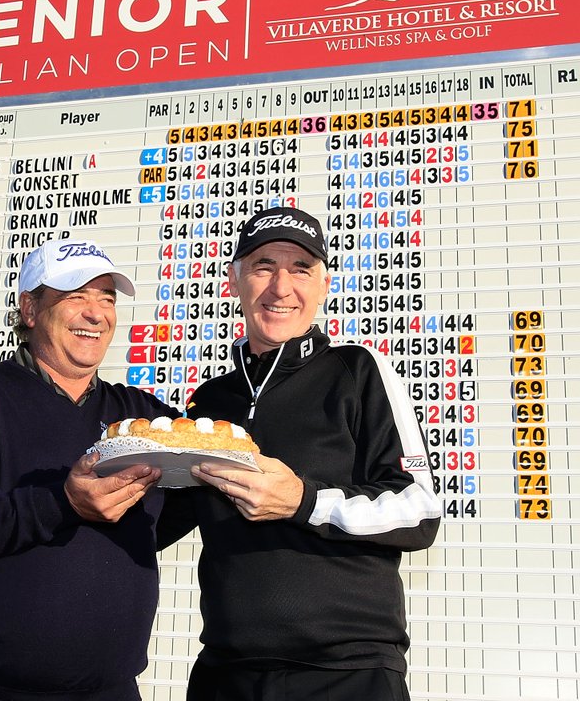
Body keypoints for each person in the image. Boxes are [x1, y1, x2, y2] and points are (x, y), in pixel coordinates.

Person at [159, 206, 441, 701]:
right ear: (235, 280)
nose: (281, 287)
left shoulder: (358, 370)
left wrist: (303, 502)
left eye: (300, 269)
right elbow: (164, 519)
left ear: (324, 284)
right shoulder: (210, 401)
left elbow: (419, 512)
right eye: (264, 266)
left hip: (346, 673)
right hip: (225, 674)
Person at [0, 237, 177, 701]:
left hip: (112, 691)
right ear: (30, 309)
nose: (96, 313)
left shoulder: (139, 413)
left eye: (107, 298)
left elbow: (189, 496)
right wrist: (63, 501)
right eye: (76, 295)